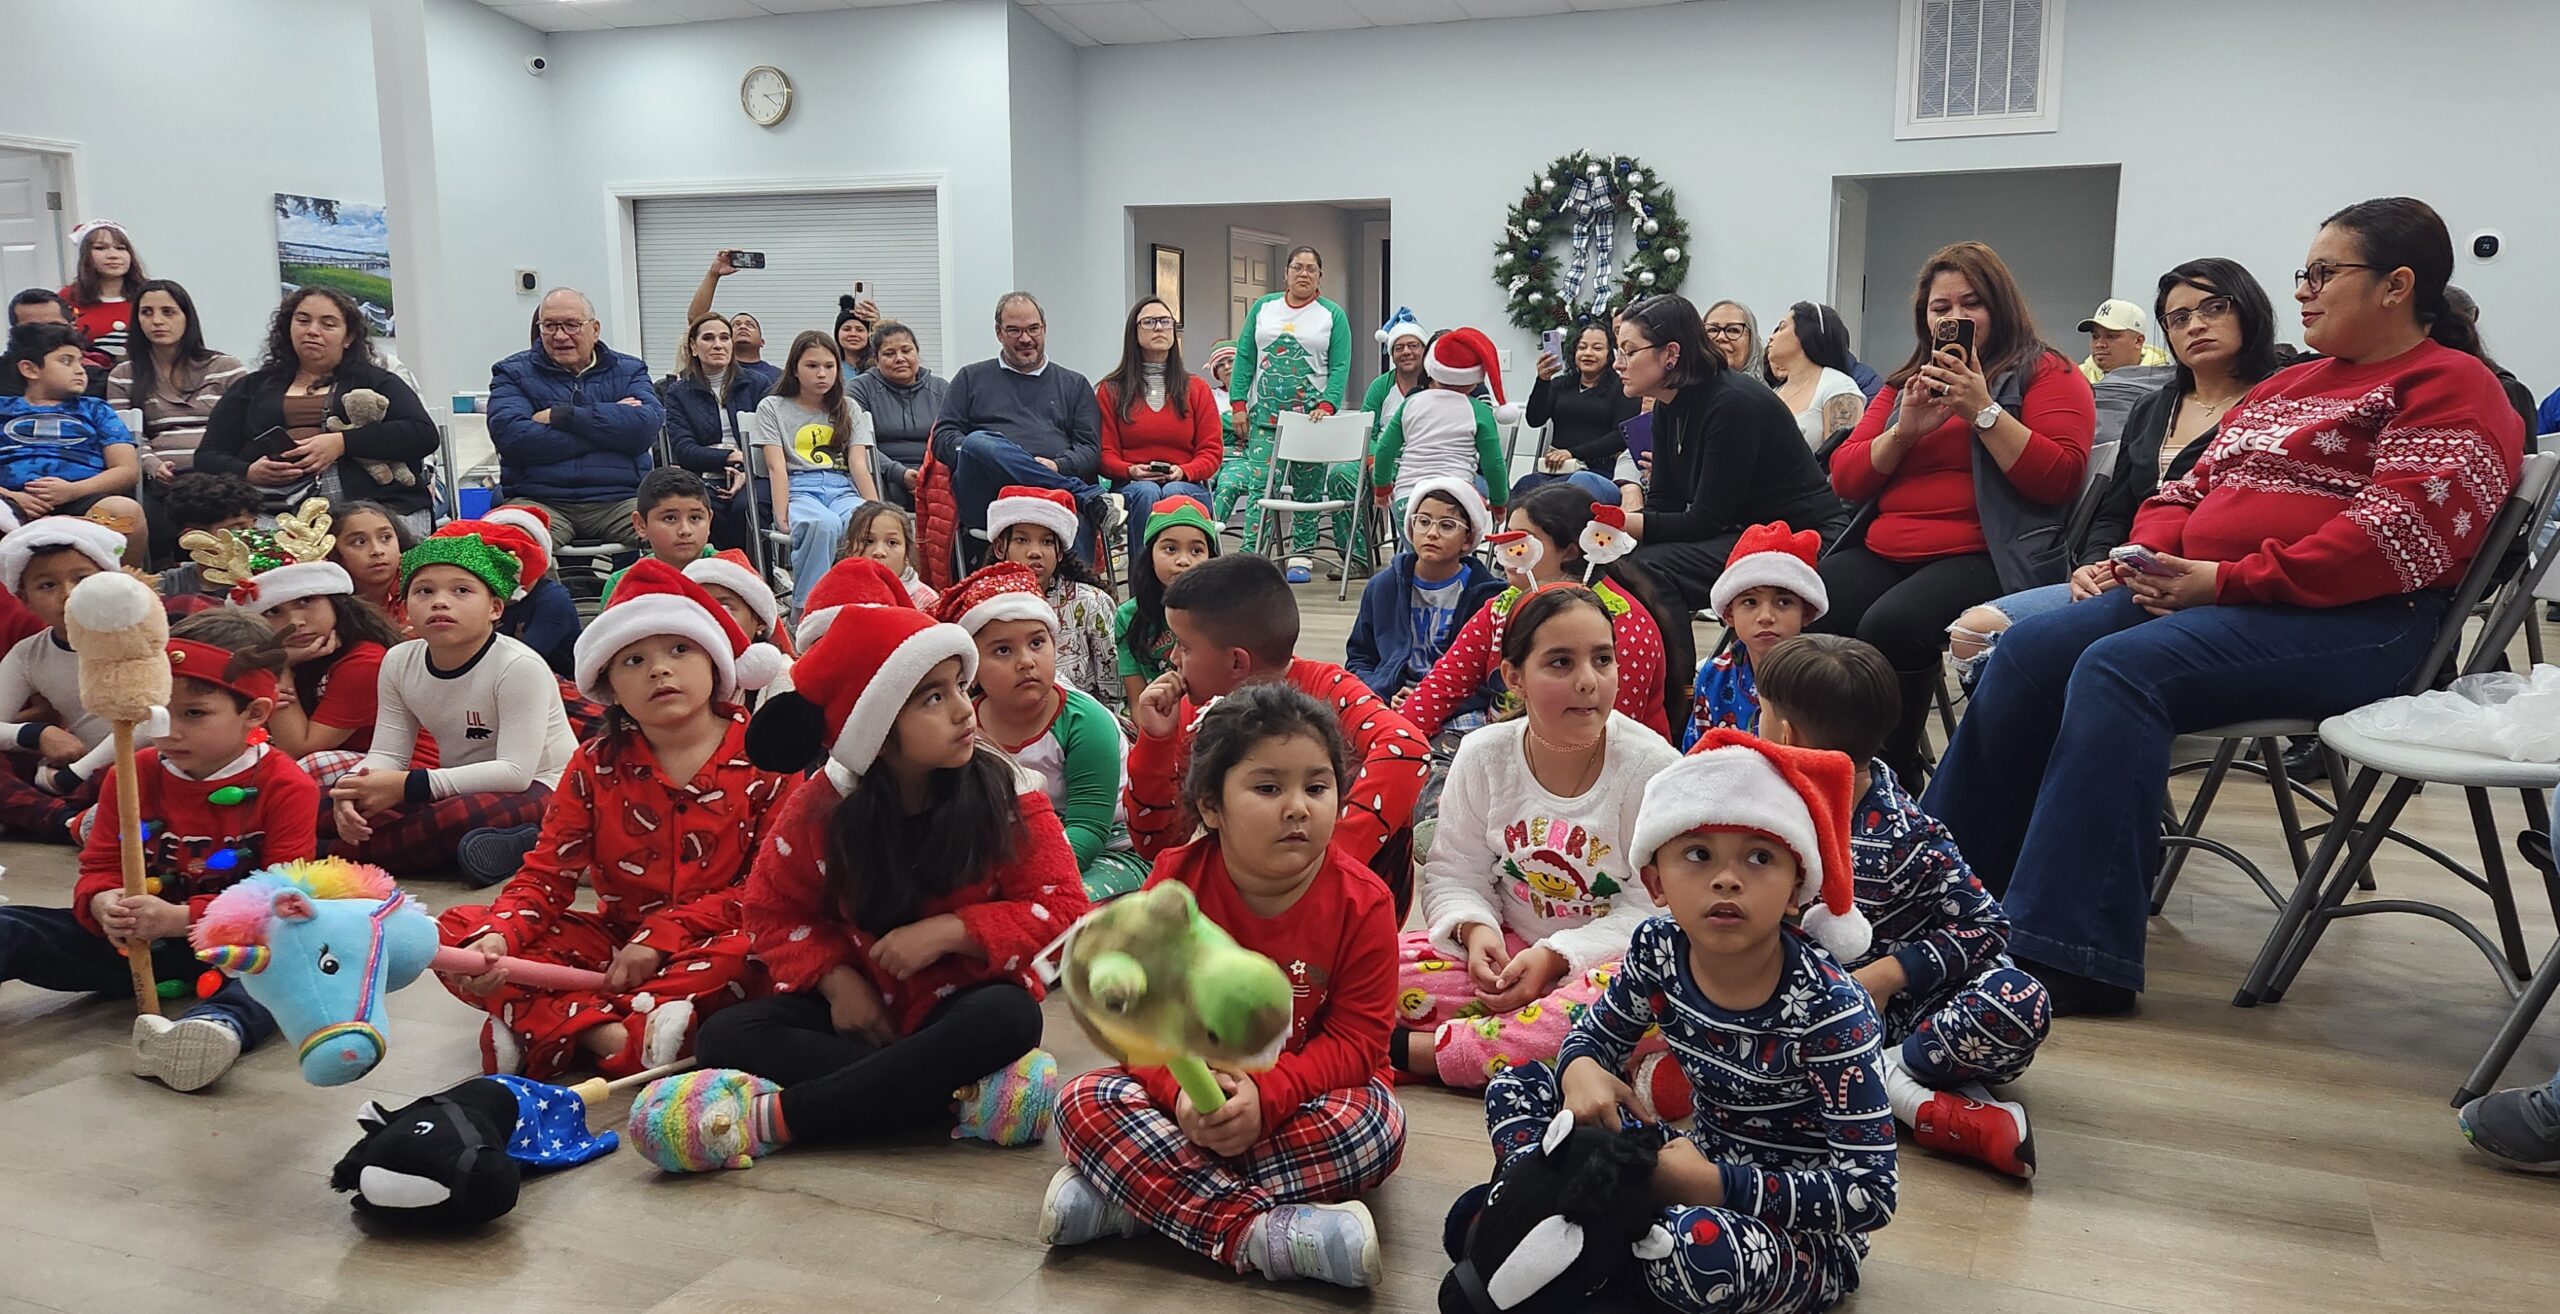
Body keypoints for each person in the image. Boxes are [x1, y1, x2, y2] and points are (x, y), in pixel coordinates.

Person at [1926, 196, 2527, 1016]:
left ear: (2397, 285)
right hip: (2223, 597)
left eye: (2324, 273)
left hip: (2365, 622)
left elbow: (2395, 539)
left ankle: (2073, 953)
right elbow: (2186, 487)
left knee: (2120, 670)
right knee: (2028, 653)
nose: (2304, 290)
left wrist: (2226, 580)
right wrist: (2140, 559)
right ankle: (1940, 901)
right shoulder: (2291, 385)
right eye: (2304, 274)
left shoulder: (2452, 385)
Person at [1481, 727, 1895, 1314]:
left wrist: (1713, 1187)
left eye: (1760, 857)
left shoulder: (1832, 1011)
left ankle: (1549, 1231)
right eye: (1698, 854)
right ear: (1655, 882)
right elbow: (1594, 1038)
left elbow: (1870, 1194)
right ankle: (1548, 1218)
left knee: (1689, 1254)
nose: (1727, 879)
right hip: (1684, 1161)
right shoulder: (1658, 947)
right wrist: (1580, 1069)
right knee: (1517, 1083)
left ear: (1796, 888)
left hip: (1794, 1233)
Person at [658, 604, 1087, 1168]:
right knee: (725, 1035)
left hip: (959, 1008)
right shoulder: (821, 810)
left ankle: (782, 1118)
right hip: (864, 1014)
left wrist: (951, 932)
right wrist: (838, 984)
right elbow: (770, 912)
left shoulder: (1007, 793)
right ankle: (951, 1099)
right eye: (933, 698)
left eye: (959, 686)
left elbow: (1064, 910)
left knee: (1010, 1017)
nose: (964, 709)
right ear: (877, 733)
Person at [1043, 683, 1403, 1288]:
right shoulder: (1173, 889)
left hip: (1302, 1102)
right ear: (1211, 807)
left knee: (1375, 1127)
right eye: (1268, 788)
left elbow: (1359, 1043)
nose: (1298, 808)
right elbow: (1136, 1030)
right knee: (1082, 1102)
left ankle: (1138, 1202)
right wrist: (1182, 1097)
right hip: (1185, 1103)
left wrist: (1266, 1097)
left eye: (1317, 787)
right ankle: (1259, 1235)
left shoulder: (1364, 901)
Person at [436, 559, 791, 1079]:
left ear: (716, 661)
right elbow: (545, 877)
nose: (659, 670)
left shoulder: (767, 757)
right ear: (609, 686)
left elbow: (768, 891)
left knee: (763, 953)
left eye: (680, 649)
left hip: (717, 941)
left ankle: (548, 1024)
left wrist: (666, 934)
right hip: (615, 942)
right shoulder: (594, 763)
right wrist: (500, 939)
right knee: (455, 935)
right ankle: (619, 1034)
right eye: (633, 660)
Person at [1754, 635, 2047, 1178]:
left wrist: (1890, 974)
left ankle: (1879, 1075)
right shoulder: (1755, 806)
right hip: (1795, 1007)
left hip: (1898, 1017)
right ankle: (1911, 1098)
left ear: (1787, 734)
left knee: (2018, 1001)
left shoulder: (1908, 834)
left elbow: (1987, 926)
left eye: (1761, 713)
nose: (1755, 725)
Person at [1816, 241, 2096, 784]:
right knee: (1804, 603)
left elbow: (2059, 477)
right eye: (1941, 308)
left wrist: (1982, 410)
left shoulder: (2047, 372)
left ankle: (1890, 777)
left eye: (1972, 303)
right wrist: (1904, 432)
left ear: (2001, 306)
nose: (1956, 318)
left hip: (1988, 552)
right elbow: (1846, 478)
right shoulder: (1906, 383)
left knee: (1892, 625)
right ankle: (1818, 764)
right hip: (1887, 549)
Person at [0, 610, 314, 1092]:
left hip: (236, 949)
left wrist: (179, 919)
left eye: (194, 713)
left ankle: (214, 1029)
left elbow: (281, 900)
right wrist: (104, 903)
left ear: (254, 713)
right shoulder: (133, 772)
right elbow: (100, 865)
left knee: (290, 964)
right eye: (160, 712)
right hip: (141, 944)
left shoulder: (287, 786)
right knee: (16, 927)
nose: (170, 731)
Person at [1946, 259, 2293, 679]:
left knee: (2048, 653)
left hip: (2214, 582)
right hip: (2131, 573)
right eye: (2179, 318)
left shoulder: (2283, 402)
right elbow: (2114, 510)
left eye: (2214, 308)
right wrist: (2091, 565)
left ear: (2249, 310)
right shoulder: (2151, 407)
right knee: (1973, 633)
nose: (2196, 326)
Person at [1395, 583, 1678, 1089]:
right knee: (1380, 969)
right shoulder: (1483, 755)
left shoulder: (1651, 766)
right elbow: (1454, 870)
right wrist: (1475, 930)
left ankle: (1421, 1052)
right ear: (1514, 677)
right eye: (1560, 663)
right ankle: (1564, 1054)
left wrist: (1555, 959)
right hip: (1510, 951)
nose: (1588, 681)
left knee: (1647, 997)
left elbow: (1655, 908)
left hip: (1604, 967)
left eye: (1603, 660)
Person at [1124, 553, 1430, 909]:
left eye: (1184, 645)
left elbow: (1408, 748)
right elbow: (1156, 842)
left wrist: (1329, 861)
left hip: (1337, 910)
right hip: (1240, 900)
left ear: (1237, 661)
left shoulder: (1327, 688)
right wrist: (1156, 741)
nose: (1173, 659)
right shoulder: (1190, 709)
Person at [328, 532, 579, 883]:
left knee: (458, 817)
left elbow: (514, 773)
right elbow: (388, 753)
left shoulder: (518, 666)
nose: (440, 602)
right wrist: (354, 789)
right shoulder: (398, 661)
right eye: (424, 591)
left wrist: (409, 786)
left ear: (495, 609)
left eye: (461, 590)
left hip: (543, 787)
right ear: (405, 607)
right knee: (325, 802)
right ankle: (497, 846)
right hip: (453, 785)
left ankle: (330, 852)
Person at [1613, 294, 1846, 614]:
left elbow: (1704, 521)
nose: (1618, 363)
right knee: (1618, 558)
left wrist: (1619, 522)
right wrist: (1616, 530)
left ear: (1670, 354)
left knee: (1647, 567)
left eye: (1629, 351)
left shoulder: (1732, 403)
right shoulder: (1669, 406)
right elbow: (1664, 502)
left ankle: (1667, 651)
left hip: (1801, 535)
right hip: (1749, 531)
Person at [1400, 482, 1682, 741]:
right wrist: (1395, 744)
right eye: (1507, 539)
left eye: (1523, 542)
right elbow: (1441, 687)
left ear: (1570, 551)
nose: (1509, 551)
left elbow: (1611, 738)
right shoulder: (1503, 607)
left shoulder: (1626, 627)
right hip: (1513, 748)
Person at [940, 564, 1148, 903]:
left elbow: (1089, 828)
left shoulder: (1085, 722)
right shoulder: (965, 725)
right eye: (1002, 650)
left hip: (1108, 848)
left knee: (1063, 909)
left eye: (1037, 642)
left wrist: (1025, 882)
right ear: (971, 670)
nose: (1026, 661)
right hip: (1009, 848)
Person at [197, 287, 438, 533]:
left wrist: (341, 443)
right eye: (303, 321)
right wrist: (248, 471)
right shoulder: (253, 386)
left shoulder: (378, 381)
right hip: (275, 509)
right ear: (288, 328)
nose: (312, 331)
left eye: (328, 324)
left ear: (349, 337)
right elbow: (207, 455)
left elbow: (422, 434)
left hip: (374, 506)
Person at [221, 520, 411, 767]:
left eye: (306, 601)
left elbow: (299, 751)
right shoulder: (253, 658)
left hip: (402, 773)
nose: (295, 622)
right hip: (345, 775)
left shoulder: (365, 661)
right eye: (272, 611)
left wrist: (279, 668)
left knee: (315, 764)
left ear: (336, 602)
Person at [930, 293, 1105, 561]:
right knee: (977, 442)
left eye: (1033, 329)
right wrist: (991, 458)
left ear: (1044, 329)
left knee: (1069, 513)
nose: (1025, 338)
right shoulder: (969, 378)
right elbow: (943, 438)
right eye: (1014, 330)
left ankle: (1078, 588)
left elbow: (1089, 449)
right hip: (989, 496)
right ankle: (1081, 493)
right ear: (998, 333)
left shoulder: (1075, 384)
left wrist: (1058, 466)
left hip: (1054, 496)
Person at [487, 288, 664, 551]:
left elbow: (645, 428)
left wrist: (562, 416)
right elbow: (513, 438)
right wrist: (610, 431)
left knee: (677, 534)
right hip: (539, 500)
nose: (560, 336)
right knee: (511, 548)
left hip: (622, 500)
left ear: (595, 329)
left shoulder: (629, 370)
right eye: (549, 326)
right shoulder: (511, 372)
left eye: (571, 325)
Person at [1216, 247, 1356, 570]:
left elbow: (1340, 367)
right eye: (1297, 267)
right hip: (1264, 420)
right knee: (1261, 488)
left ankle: (1301, 556)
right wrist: (1238, 403)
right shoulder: (1264, 308)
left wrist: (1328, 404)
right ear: (1286, 273)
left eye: (1311, 269)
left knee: (1308, 491)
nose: (1303, 274)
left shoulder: (1331, 315)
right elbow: (1245, 357)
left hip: (1312, 420)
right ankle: (1252, 556)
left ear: (1320, 276)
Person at [0, 517, 139, 839]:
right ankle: (71, 823)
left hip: (151, 764)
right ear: (25, 599)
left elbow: (153, 720)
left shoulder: (143, 635)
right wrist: (36, 734)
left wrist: (76, 773)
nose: (68, 595)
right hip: (79, 780)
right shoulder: (28, 653)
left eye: (82, 579)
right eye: (47, 586)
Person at [1346, 478, 1501, 709]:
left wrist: (1427, 702)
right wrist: (1379, 694)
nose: (1432, 533)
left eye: (1447, 525)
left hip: (1454, 704)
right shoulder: (1383, 586)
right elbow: (1360, 658)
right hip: (1388, 698)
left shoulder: (1487, 598)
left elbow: (1492, 676)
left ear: (1468, 539)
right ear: (1411, 528)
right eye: (1423, 522)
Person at [751, 331, 879, 606]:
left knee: (865, 523)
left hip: (843, 489)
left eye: (829, 366)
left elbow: (858, 464)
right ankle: (808, 608)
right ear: (795, 369)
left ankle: (862, 602)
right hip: (800, 489)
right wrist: (781, 514)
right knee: (822, 524)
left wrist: (878, 511)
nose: (822, 374)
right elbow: (776, 466)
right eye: (812, 366)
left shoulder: (849, 408)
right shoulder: (772, 407)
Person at [0, 322, 146, 558]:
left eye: (80, 361)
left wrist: (72, 491)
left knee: (125, 511)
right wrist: (11, 497)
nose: (80, 370)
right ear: (30, 369)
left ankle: (121, 581)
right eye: (66, 361)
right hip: (9, 501)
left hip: (83, 498)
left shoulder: (97, 409)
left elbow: (127, 470)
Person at [1097, 298, 1221, 564]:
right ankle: (1144, 585)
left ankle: (1184, 582)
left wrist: (1184, 471)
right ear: (1134, 332)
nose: (1159, 328)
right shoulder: (1111, 390)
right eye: (1149, 322)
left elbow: (1211, 452)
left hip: (1187, 485)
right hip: (1132, 486)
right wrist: (1131, 470)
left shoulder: (1196, 388)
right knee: (1147, 492)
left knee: (1174, 491)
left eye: (1166, 321)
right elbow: (1104, 454)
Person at [1686, 521, 1826, 744]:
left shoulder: (1824, 681)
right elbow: (1695, 751)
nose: (1766, 616)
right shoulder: (1713, 675)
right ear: (1729, 614)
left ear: (1807, 613)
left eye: (1783, 602)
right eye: (1750, 602)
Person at [986, 486, 1118, 715]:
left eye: (1047, 542)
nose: (1035, 552)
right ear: (1000, 548)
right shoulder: (984, 608)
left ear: (1059, 552)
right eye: (1021, 540)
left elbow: (1114, 690)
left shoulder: (1090, 603)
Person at [106, 279, 249, 486]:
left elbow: (247, 426)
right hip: (164, 482)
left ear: (187, 318)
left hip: (225, 477)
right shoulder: (123, 375)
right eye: (146, 312)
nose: (157, 321)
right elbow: (126, 436)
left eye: (168, 312)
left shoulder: (226, 367)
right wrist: (153, 465)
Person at [1369, 327, 1513, 518]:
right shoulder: (1479, 411)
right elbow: (1493, 464)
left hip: (1408, 498)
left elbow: (1385, 449)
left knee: (1415, 536)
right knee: (1454, 536)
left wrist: (1382, 488)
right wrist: (1499, 504)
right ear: (1474, 379)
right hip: (1456, 498)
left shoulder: (1410, 403)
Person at [660, 311, 769, 552]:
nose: (718, 345)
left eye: (724, 338)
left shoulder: (758, 384)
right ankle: (711, 572)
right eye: (708, 338)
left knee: (746, 506)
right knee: (706, 508)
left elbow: (768, 442)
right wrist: (732, 456)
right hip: (703, 477)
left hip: (754, 474)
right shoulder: (678, 392)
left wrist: (746, 470)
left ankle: (753, 573)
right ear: (693, 347)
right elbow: (685, 451)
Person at [1518, 319, 1638, 502]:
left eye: (1597, 348)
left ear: (1610, 354)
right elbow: (1534, 419)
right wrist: (1542, 381)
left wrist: (1572, 452)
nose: (1588, 353)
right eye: (1582, 347)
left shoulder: (1622, 388)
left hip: (1598, 471)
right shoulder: (1561, 385)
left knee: (1557, 494)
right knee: (1525, 485)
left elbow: (1621, 437)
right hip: (1556, 469)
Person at [1115, 496, 1215, 709]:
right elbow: (1137, 702)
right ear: (1150, 556)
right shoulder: (1128, 616)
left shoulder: (1224, 612)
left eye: (1196, 551)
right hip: (1153, 713)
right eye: (1170, 549)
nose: (1183, 561)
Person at [472, 509, 583, 680]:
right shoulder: (474, 594)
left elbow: (521, 666)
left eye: (522, 549)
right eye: (499, 547)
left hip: (551, 682)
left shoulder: (553, 599)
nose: (511, 560)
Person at [847, 321, 945, 510]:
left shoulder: (942, 389)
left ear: (917, 353)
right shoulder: (860, 388)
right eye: (889, 354)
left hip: (934, 474)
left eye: (906, 351)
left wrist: (929, 473)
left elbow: (952, 437)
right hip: (883, 474)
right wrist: (898, 473)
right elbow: (857, 444)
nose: (899, 358)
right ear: (876, 360)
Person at [1764, 301, 1868, 448]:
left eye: (1782, 328)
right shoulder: (1775, 392)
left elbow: (1842, 456)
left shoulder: (1837, 386)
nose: (1771, 337)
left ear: (1805, 334)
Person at [151, 474, 260, 604]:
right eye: (237, 529)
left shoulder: (273, 577)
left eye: (254, 525)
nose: (253, 537)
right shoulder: (162, 589)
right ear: (193, 537)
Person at [682, 249, 781, 388]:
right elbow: (696, 319)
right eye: (736, 325)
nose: (743, 327)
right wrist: (713, 274)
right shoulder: (714, 368)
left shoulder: (778, 376)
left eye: (750, 325)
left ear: (762, 341)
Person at [57, 220, 146, 364]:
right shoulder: (67, 297)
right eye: (100, 248)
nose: (113, 255)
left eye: (120, 248)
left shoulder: (149, 294)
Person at [1, 290, 110, 397]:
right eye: (32, 329)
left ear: (71, 326)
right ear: (14, 332)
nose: (44, 334)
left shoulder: (100, 379)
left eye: (53, 326)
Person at [841, 500, 938, 609]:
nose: (879, 552)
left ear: (907, 553)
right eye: (868, 541)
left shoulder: (926, 602)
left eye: (892, 542)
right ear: (850, 550)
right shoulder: (837, 594)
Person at [1359, 307, 1431, 448]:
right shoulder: (1380, 386)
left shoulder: (1436, 384)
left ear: (1425, 350)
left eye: (1413, 346)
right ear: (1392, 355)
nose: (1406, 352)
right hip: (1382, 456)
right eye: (1399, 348)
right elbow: (1366, 433)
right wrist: (1374, 458)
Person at [330, 498, 411, 617]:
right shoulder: (326, 603)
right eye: (360, 542)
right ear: (333, 551)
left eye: (386, 537)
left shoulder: (420, 584)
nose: (377, 551)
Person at [2077, 298, 2174, 383]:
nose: (2099, 344)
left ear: (2138, 341)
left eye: (2111, 336)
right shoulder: (2078, 377)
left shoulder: (2166, 380)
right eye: (2095, 336)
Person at [1702, 298, 1765, 376]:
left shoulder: (1758, 385)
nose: (1721, 337)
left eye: (1733, 330)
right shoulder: (1689, 382)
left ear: (1752, 341)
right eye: (1713, 330)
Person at [835, 290, 882, 378]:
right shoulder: (831, 368)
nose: (853, 334)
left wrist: (879, 328)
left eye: (860, 330)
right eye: (847, 329)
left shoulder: (880, 367)